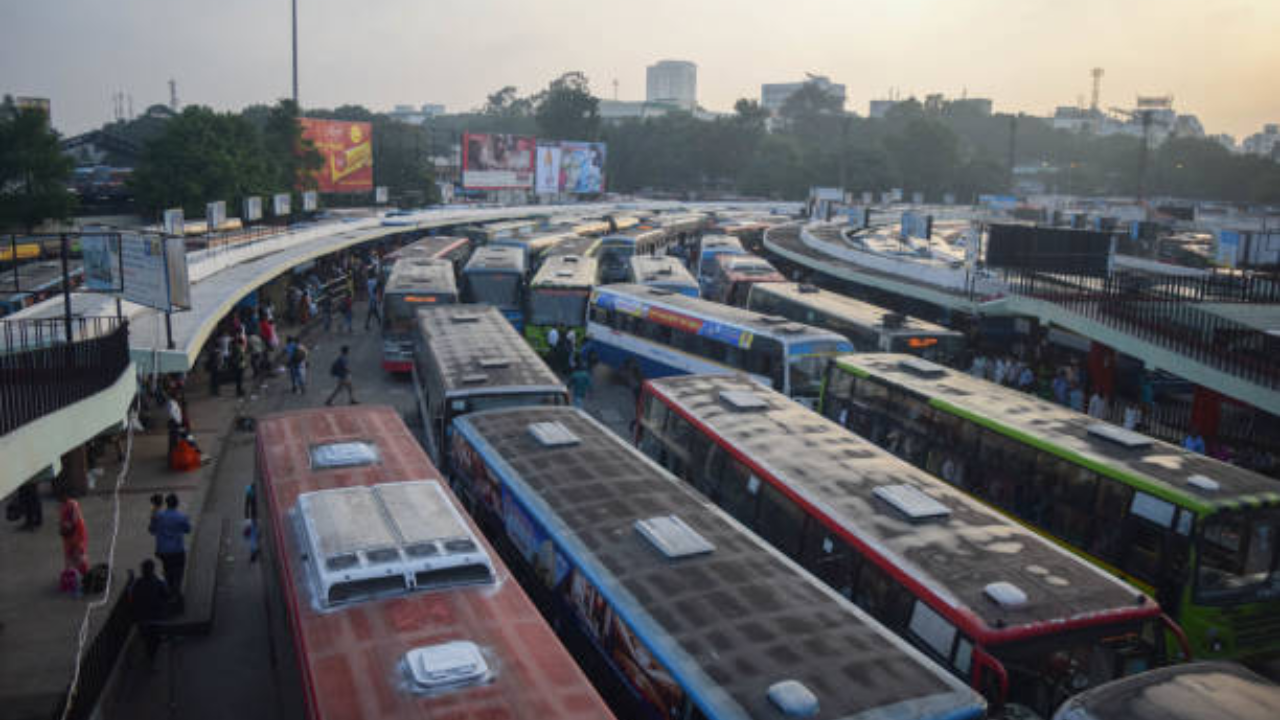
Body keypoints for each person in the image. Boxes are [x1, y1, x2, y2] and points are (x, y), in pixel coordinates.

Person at [149, 494, 191, 597]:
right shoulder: (182, 517)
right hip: (177, 551)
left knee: (167, 570)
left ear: (166, 504)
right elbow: (188, 530)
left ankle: (169, 589)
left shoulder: (159, 516)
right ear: (177, 504)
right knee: (178, 573)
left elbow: (152, 530)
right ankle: (175, 594)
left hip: (163, 551)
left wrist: (154, 513)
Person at [128, 559, 169, 662]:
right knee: (155, 639)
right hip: (157, 617)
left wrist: (131, 579)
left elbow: (132, 598)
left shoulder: (138, 583)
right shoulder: (159, 582)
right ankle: (152, 658)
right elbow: (166, 595)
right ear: (153, 570)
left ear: (142, 570)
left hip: (142, 618)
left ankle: (150, 656)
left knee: (147, 639)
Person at [58, 490, 89, 579]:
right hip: (69, 535)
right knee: (70, 555)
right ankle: (72, 574)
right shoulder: (63, 506)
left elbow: (74, 521)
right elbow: (63, 521)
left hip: (76, 534)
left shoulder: (73, 505)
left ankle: (83, 573)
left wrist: (66, 526)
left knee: (78, 554)